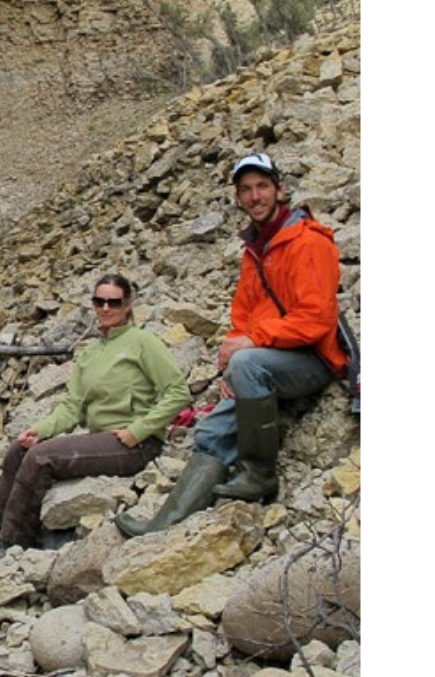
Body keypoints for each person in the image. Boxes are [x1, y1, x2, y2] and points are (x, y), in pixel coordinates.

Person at [116, 153, 346, 537]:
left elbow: (316, 320)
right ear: (238, 198)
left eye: (262, 187)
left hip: (314, 359)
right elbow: (243, 315)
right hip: (272, 357)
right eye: (246, 190)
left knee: (246, 367)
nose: (255, 196)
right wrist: (236, 362)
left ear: (279, 189)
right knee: (210, 433)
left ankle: (259, 474)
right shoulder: (256, 248)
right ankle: (163, 527)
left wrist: (248, 352)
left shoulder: (309, 242)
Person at [0, 273, 189, 559]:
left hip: (135, 443)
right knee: (20, 449)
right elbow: (72, 407)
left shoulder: (143, 342)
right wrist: (41, 429)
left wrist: (139, 429)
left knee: (41, 458)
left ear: (128, 305)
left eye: (114, 302)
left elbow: (178, 392)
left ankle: (15, 543)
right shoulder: (91, 352)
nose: (106, 308)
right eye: (100, 301)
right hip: (102, 438)